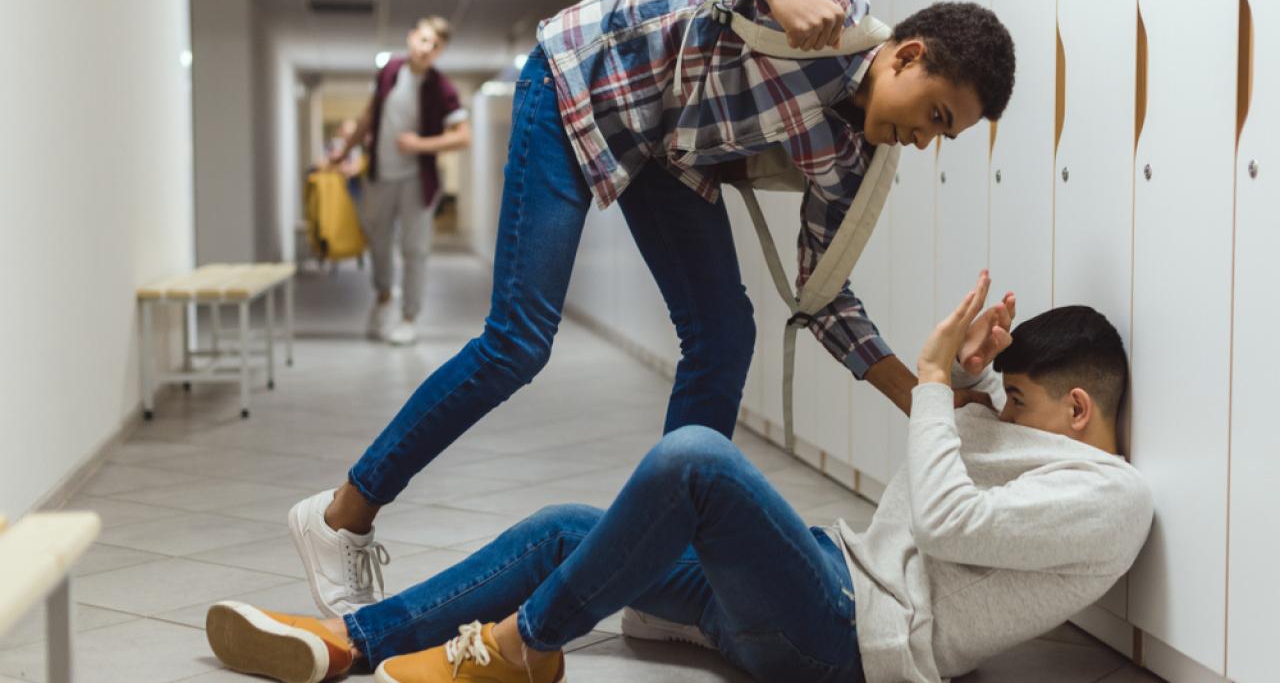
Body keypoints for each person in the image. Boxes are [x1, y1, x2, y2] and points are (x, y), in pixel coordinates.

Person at [286, 0, 1017, 619]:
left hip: (664, 152)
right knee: (519, 341)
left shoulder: (855, 159)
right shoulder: (829, 3)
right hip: (581, 81)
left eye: (942, 135)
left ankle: (659, 560)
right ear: (909, 56)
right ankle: (342, 515)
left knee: (727, 336)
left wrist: (929, 394)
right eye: (936, 115)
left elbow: (822, 295)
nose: (924, 139)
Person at [207, 272, 1153, 683]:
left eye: (1020, 398)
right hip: (816, 585)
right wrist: (977, 382)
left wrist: (944, 385)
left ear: (1078, 411)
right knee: (565, 528)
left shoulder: (1110, 501)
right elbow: (959, 467)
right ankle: (348, 643)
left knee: (695, 460)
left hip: (844, 644)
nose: (1002, 411)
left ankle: (522, 646)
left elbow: (948, 523)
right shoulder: (1028, 439)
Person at [329, 16, 471, 346]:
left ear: (440, 52)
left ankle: (409, 316)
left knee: (414, 249)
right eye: (423, 40)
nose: (426, 49)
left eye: (435, 46)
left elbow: (464, 137)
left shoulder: (441, 87)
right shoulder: (390, 71)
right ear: (410, 38)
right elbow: (368, 117)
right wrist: (344, 153)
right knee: (378, 242)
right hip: (380, 176)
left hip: (417, 181)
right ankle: (383, 300)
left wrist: (420, 145)